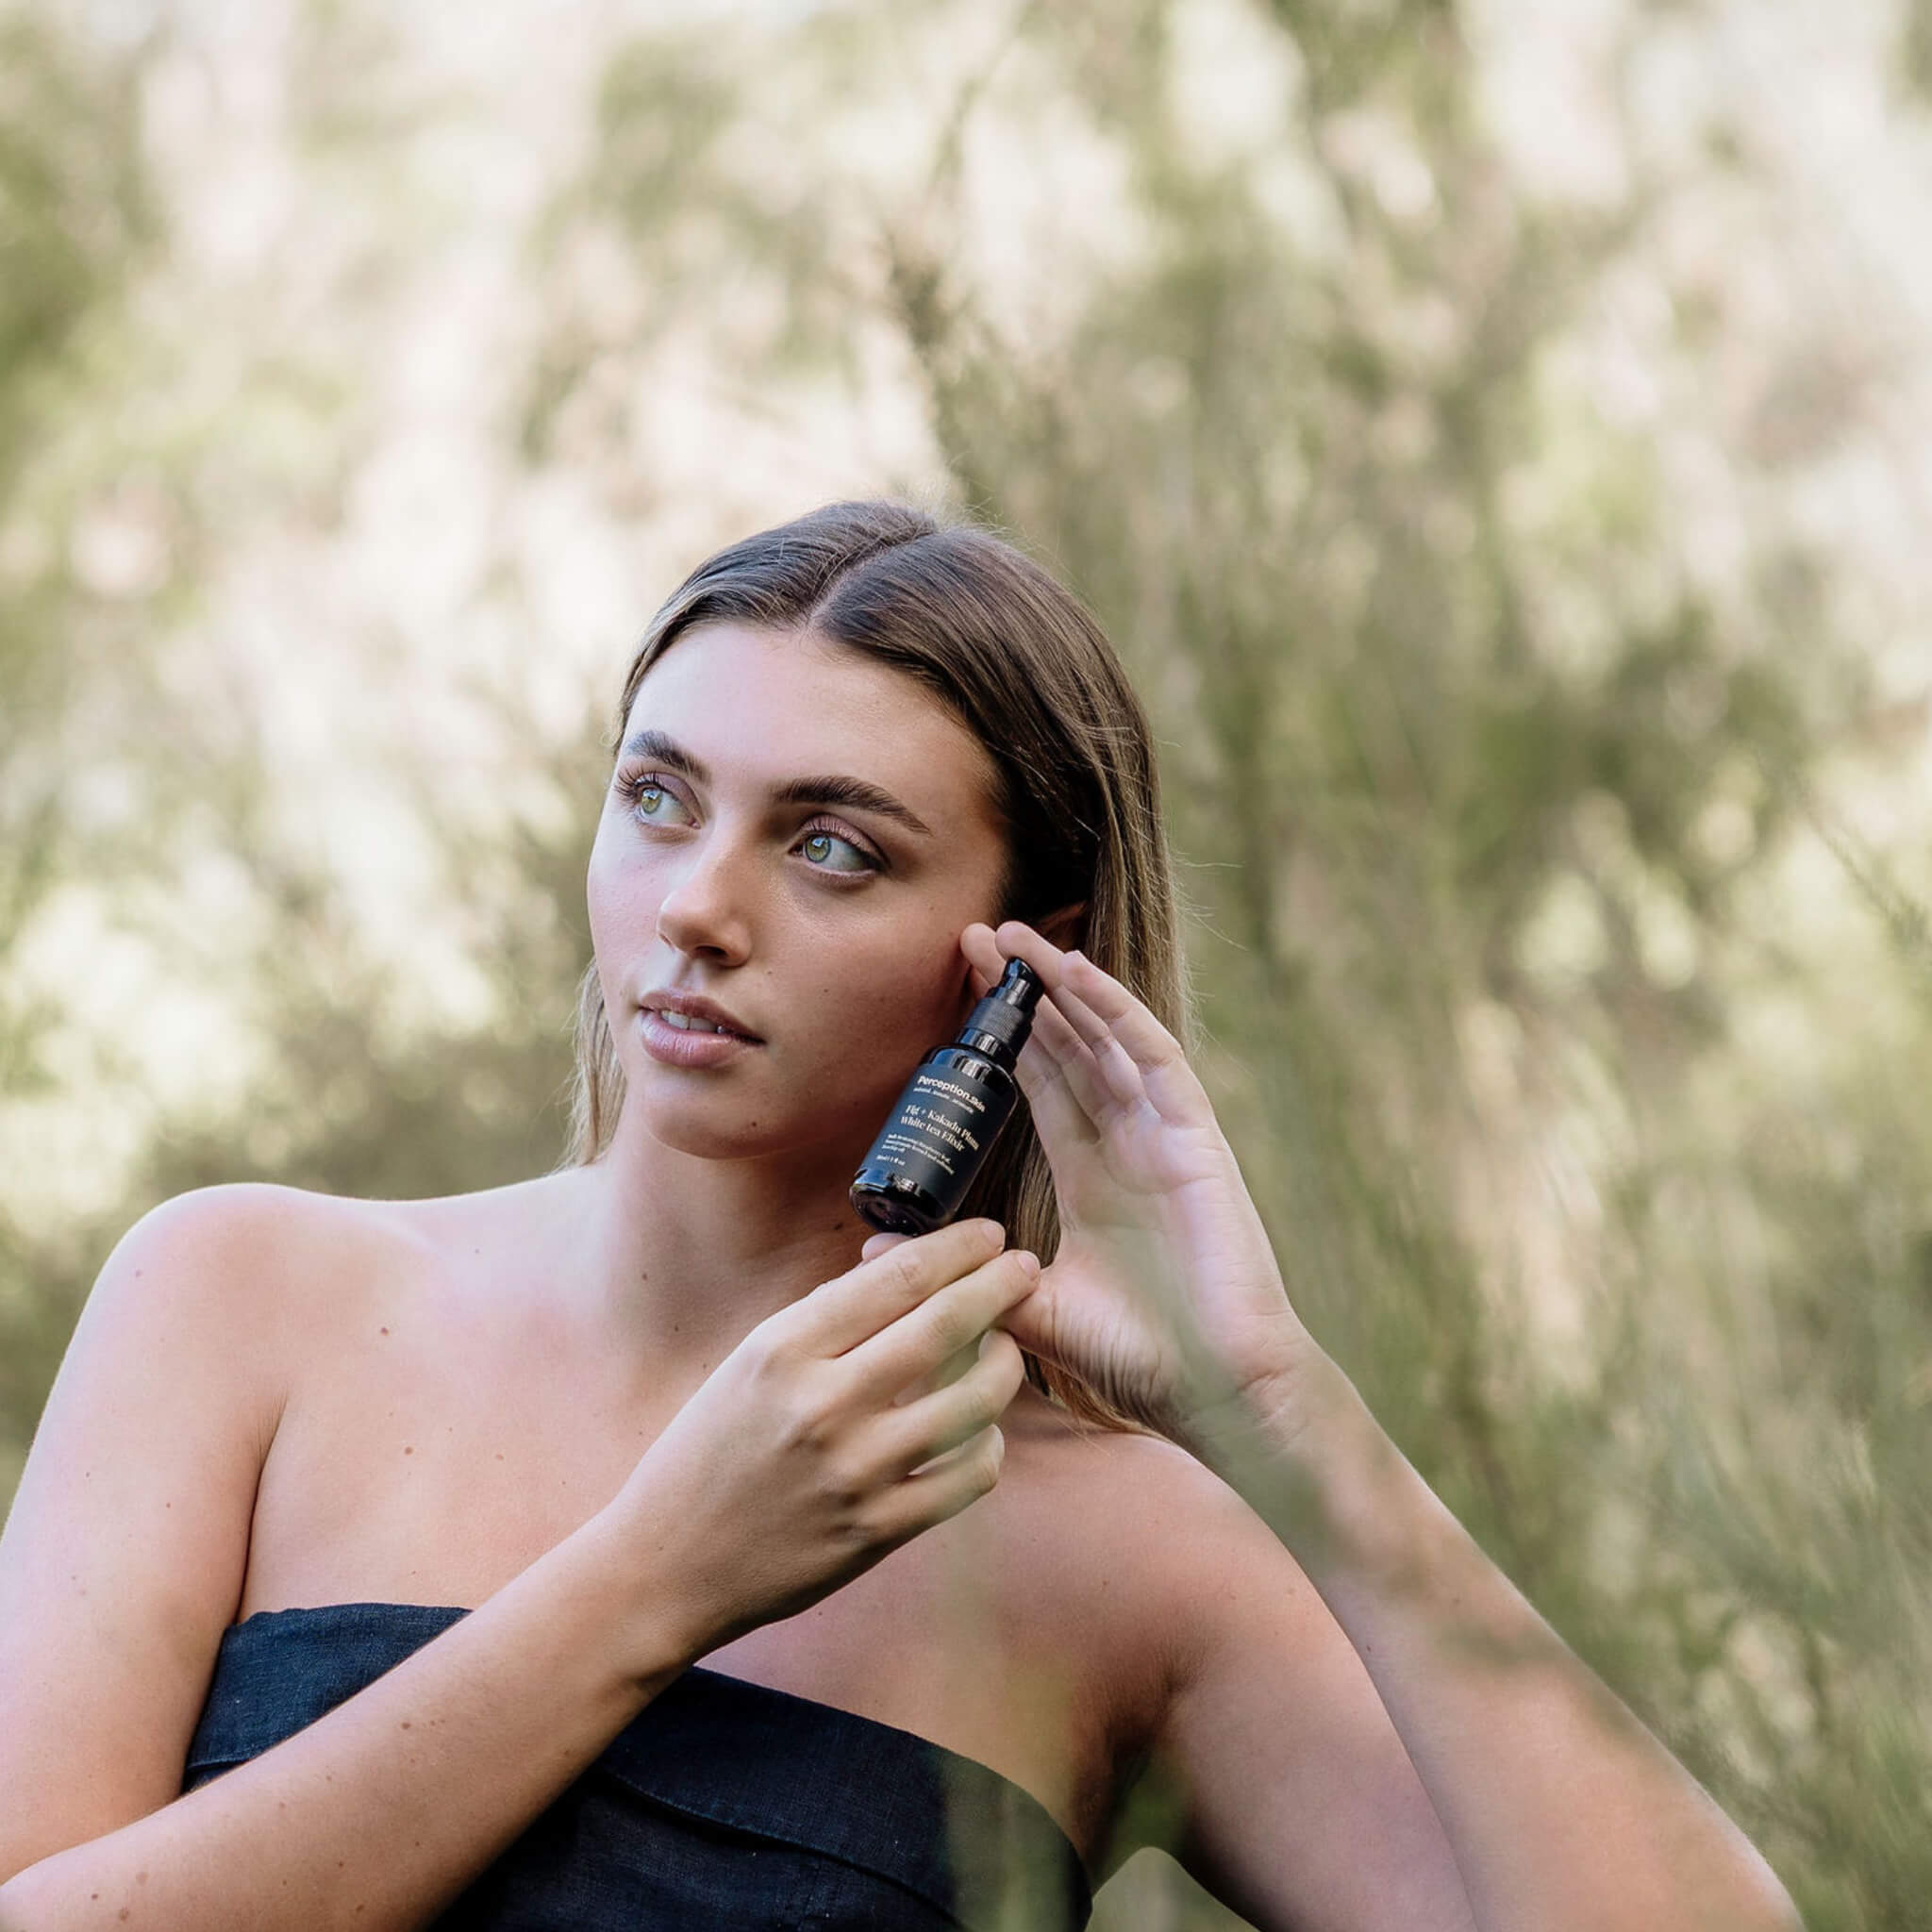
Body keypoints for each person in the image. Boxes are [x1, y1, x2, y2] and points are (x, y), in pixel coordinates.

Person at [0, 501, 1797, 1930]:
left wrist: (1272, 1404)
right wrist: (656, 1579)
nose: (697, 907)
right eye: (657, 797)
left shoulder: (1130, 1556)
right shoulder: (241, 1297)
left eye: (830, 844)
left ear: (1028, 959)